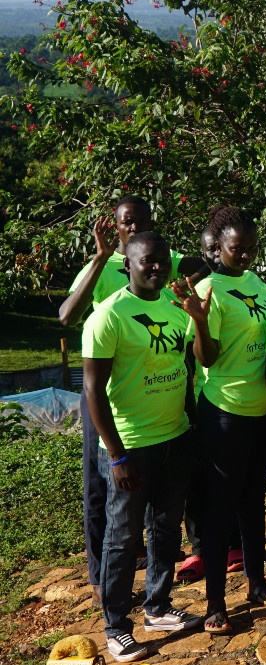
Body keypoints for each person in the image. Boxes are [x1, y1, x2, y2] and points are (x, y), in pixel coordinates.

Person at [59, 197, 195, 606]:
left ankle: (157, 583)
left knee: (161, 506)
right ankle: (104, 577)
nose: (133, 228)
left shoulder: (163, 268)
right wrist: (101, 259)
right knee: (103, 484)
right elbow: (67, 316)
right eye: (126, 223)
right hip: (110, 393)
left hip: (158, 395)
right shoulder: (106, 273)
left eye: (141, 222)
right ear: (116, 228)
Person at [83, 232, 202, 662]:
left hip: (175, 436)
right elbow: (93, 390)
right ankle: (116, 627)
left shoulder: (175, 308)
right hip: (132, 446)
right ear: (128, 265)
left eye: (163, 261)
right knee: (122, 537)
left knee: (167, 529)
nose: (157, 267)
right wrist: (116, 455)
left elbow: (191, 363)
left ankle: (158, 606)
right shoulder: (108, 315)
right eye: (147, 261)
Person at [186, 207, 266, 634]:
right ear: (218, 247)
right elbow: (206, 358)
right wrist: (198, 320)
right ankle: (214, 602)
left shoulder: (259, 285)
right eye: (236, 248)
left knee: (253, 502)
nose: (245, 254)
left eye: (250, 247)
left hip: (263, 411)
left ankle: (256, 581)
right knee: (221, 508)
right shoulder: (208, 289)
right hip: (226, 414)